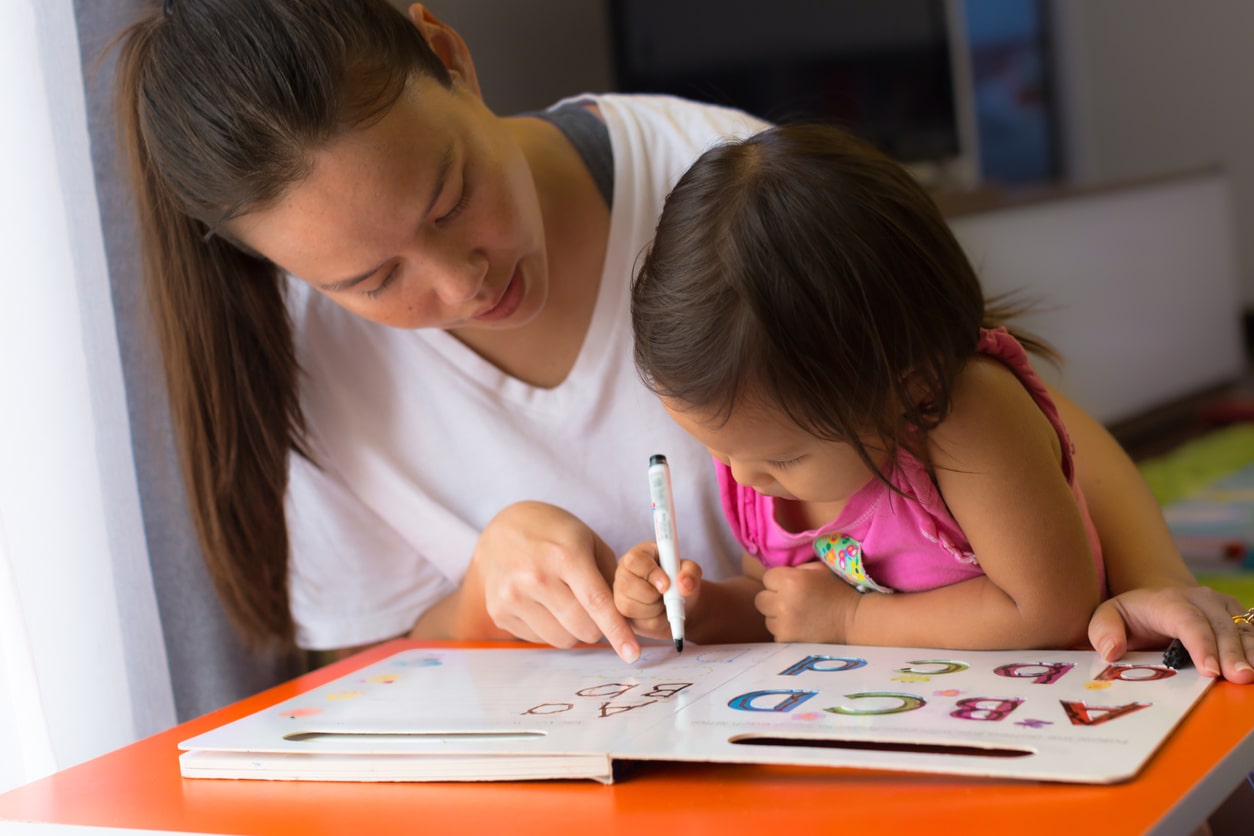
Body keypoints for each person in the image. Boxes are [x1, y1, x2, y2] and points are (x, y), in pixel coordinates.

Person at [113, 0, 1253, 680]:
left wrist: (1154, 585)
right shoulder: (306, 368)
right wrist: (483, 597)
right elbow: (383, 676)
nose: (460, 281)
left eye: (452, 197)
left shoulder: (723, 191)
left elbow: (1004, 413)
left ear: (450, 56)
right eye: (371, 278)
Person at [619, 121, 1109, 650]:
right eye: (715, 449)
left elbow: (1051, 610)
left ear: (907, 386)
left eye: (784, 459)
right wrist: (698, 609)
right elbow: (784, 609)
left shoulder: (962, 415)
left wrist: (851, 622)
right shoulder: (755, 454)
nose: (743, 476)